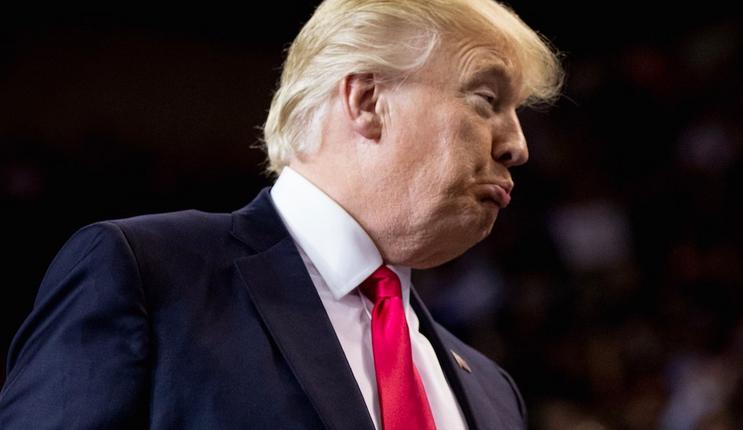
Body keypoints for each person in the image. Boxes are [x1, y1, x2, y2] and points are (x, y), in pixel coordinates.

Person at [0, 0, 562, 428]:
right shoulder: (148, 277)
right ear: (367, 101)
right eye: (486, 100)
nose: (518, 145)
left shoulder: (493, 392)